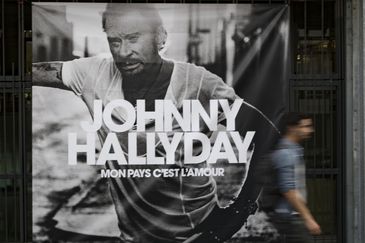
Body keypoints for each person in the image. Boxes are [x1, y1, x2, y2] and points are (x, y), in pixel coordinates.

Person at [33, 4, 278, 243]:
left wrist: (242, 207)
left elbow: (265, 133)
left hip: (199, 232)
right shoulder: (93, 73)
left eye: (133, 38)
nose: (123, 52)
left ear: (160, 37)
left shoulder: (198, 83)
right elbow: (28, 72)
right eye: (114, 41)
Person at [268, 112, 321, 243]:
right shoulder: (286, 153)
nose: (310, 130)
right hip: (288, 216)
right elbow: (289, 190)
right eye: (305, 126)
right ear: (292, 128)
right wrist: (308, 218)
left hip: (288, 215)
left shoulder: (293, 151)